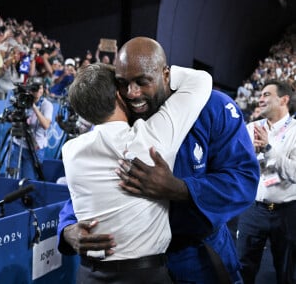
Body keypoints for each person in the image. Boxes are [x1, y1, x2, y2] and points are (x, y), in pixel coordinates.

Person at [57, 37, 260, 284]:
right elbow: (88, 185)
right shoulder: (117, 116)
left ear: (166, 75)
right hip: (136, 269)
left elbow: (244, 180)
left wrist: (181, 189)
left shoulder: (213, 106)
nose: (132, 93)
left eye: (143, 81)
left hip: (198, 258)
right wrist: (68, 229)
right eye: (123, 83)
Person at [62, 61, 212, 283]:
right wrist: (160, 72)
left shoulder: (70, 151)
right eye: (124, 85)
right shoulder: (150, 138)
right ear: (119, 96)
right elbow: (201, 80)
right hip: (144, 275)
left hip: (89, 274)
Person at [236, 80, 296, 284]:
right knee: (242, 268)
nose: (260, 99)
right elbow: (234, 166)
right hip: (253, 210)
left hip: (287, 213)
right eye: (260, 95)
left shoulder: (295, 131)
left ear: (284, 100)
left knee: (286, 272)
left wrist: (269, 149)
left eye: (266, 95)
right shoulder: (250, 127)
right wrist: (248, 155)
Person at [8, 76, 53, 180]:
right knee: (11, 177)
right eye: (34, 87)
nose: (37, 90)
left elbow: (46, 125)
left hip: (35, 148)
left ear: (43, 89)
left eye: (40, 88)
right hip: (17, 144)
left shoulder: (47, 105)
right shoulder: (22, 100)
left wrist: (33, 105)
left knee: (28, 179)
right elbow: (11, 118)